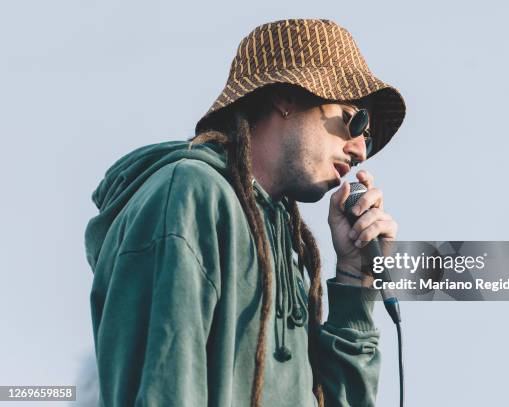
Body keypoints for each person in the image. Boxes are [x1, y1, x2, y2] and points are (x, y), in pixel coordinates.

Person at [84, 18, 405, 407]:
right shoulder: (191, 194)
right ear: (286, 95)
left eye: (367, 140)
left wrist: (355, 280)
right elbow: (166, 387)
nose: (360, 151)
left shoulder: (283, 246)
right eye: (356, 120)